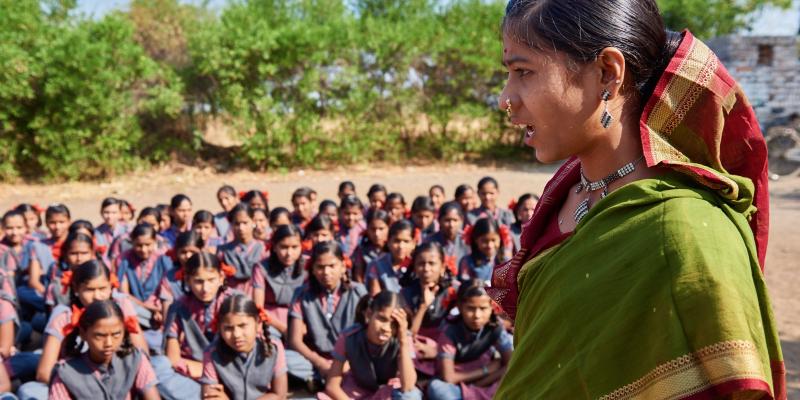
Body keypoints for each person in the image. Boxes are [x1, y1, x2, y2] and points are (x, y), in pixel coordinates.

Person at [490, 1, 785, 398]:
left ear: (607, 73)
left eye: (523, 72)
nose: (505, 98)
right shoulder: (564, 193)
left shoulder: (684, 233)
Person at [17, 260, 147, 399]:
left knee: (158, 366)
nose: (97, 296)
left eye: (102, 288)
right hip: (74, 385)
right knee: (29, 390)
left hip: (118, 383)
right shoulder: (64, 317)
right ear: (76, 289)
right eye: (89, 290)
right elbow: (44, 372)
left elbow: (142, 355)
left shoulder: (121, 307)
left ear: (111, 287)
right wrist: (82, 389)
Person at [155, 252, 236, 400]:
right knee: (157, 365)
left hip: (227, 371)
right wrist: (199, 368)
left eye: (211, 280)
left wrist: (208, 370)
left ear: (221, 278)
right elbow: (173, 358)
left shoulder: (234, 302)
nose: (205, 288)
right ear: (187, 280)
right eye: (198, 281)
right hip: (191, 373)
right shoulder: (178, 307)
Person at [287, 241, 367, 388]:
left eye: (332, 266)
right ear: (312, 269)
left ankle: (325, 380)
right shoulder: (302, 294)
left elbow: (367, 334)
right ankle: (328, 378)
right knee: (285, 359)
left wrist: (346, 363)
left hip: (350, 359)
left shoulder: (358, 292)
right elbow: (295, 340)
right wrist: (320, 363)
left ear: (343, 266)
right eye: (320, 267)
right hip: (316, 358)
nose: (326, 272)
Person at [48, 300, 160, 400]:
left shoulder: (136, 360)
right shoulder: (66, 372)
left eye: (116, 334)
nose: (109, 343)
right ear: (83, 333)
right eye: (100, 336)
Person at [322, 291, 421, 400]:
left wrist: (403, 341)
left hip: (389, 393)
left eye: (393, 324)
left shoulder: (403, 338)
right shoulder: (349, 337)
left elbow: (408, 386)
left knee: (411, 396)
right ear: (369, 314)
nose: (386, 328)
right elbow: (332, 386)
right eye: (382, 319)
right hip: (356, 391)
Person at [427, 280, 512, 400]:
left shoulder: (495, 327)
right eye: (470, 308)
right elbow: (449, 377)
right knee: (437, 389)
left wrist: (479, 385)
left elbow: (510, 364)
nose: (477, 315)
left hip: (486, 381)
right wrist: (486, 370)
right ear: (460, 307)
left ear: (492, 307)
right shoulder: (449, 332)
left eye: (483, 308)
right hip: (457, 384)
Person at [200, 294, 288, 400]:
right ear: (219, 328)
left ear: (258, 323)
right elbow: (210, 396)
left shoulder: (274, 347)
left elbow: (280, 395)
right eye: (228, 328)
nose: (236, 334)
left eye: (242, 326)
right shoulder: (212, 353)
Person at [400, 242, 458, 377]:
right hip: (417, 345)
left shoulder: (454, 291)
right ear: (414, 267)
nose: (426, 269)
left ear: (442, 266)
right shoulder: (406, 293)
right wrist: (423, 306)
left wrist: (437, 350)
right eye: (421, 264)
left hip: (446, 345)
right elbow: (408, 333)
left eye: (432, 263)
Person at [252, 224, 306, 339]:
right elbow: (258, 307)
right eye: (284, 247)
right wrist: (282, 328)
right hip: (270, 321)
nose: (289, 253)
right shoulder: (261, 268)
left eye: (294, 247)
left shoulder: (308, 267)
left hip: (299, 319)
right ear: (274, 247)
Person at [216, 204, 267, 297]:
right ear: (231, 224)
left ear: (253, 222)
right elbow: (220, 280)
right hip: (230, 298)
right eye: (237, 224)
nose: (241, 228)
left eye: (245, 223)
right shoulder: (223, 251)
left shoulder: (263, 249)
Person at [366, 220, 415, 296]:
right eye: (396, 241)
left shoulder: (417, 265)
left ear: (413, 244)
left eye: (406, 241)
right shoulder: (377, 265)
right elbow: (375, 296)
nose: (401, 246)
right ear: (388, 242)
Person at [458, 218, 511, 285]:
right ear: (476, 240)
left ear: (500, 239)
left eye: (493, 240)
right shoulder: (467, 262)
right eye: (484, 241)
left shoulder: (506, 262)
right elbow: (465, 285)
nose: (490, 245)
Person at [425, 202, 468, 276]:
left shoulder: (467, 241)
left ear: (461, 220)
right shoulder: (430, 241)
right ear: (439, 221)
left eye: (455, 220)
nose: (451, 225)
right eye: (447, 220)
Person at [351, 209, 389, 284]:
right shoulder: (362, 249)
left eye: (381, 229)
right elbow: (358, 275)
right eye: (373, 229)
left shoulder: (393, 249)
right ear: (367, 229)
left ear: (388, 228)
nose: (377, 234)